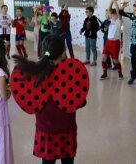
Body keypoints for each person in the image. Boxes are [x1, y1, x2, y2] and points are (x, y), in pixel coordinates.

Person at [10, 35, 89, 164]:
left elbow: (27, 100)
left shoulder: (36, 74)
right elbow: (80, 101)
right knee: (68, 161)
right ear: (63, 52)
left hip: (45, 131)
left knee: (47, 162)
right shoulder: (70, 74)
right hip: (66, 130)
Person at [100, 0, 124, 80]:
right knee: (103, 57)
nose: (113, 16)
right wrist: (111, 0)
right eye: (112, 15)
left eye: (114, 15)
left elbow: (117, 10)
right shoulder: (110, 21)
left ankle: (120, 73)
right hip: (108, 42)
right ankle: (105, 74)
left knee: (115, 60)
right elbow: (109, 9)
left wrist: (115, 2)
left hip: (115, 43)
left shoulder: (119, 21)